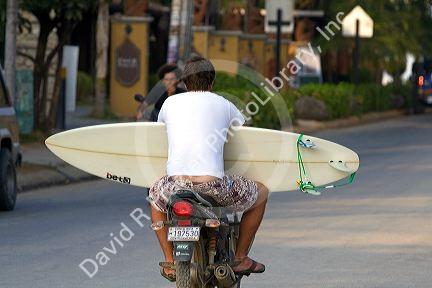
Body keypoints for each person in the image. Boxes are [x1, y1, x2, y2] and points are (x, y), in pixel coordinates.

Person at [148, 56, 269, 281]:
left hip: (175, 185)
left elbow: (160, 134)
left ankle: (169, 261)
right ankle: (241, 257)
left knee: (154, 198)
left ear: (184, 82)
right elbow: (245, 134)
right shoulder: (224, 104)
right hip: (213, 186)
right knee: (261, 193)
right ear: (212, 83)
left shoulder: (169, 103)